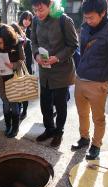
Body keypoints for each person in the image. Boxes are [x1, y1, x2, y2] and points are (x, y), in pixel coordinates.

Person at [71, 0, 108, 159]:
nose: (88, 21)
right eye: (85, 17)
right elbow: (82, 51)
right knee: (82, 113)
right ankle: (84, 137)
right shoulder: (85, 27)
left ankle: (96, 145)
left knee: (98, 118)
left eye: (91, 17)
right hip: (80, 78)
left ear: (103, 13)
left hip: (98, 83)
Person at [30, 0, 78, 147]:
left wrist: (56, 58)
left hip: (61, 72)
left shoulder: (64, 20)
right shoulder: (35, 21)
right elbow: (33, 42)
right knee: (45, 104)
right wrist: (36, 55)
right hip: (44, 71)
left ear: (50, 4)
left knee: (60, 104)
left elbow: (73, 45)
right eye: (35, 10)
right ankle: (49, 129)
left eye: (41, 9)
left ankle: (59, 132)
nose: (38, 13)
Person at [0, 24, 25, 138]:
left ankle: (15, 127)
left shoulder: (16, 43)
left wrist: (14, 64)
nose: (2, 46)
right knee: (6, 103)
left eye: (5, 43)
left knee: (14, 104)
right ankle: (8, 125)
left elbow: (22, 60)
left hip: (14, 78)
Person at [11, 22, 33, 120]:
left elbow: (28, 60)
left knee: (24, 93)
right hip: (13, 70)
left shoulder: (26, 42)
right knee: (16, 92)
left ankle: (24, 111)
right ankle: (18, 110)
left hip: (24, 70)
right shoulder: (9, 42)